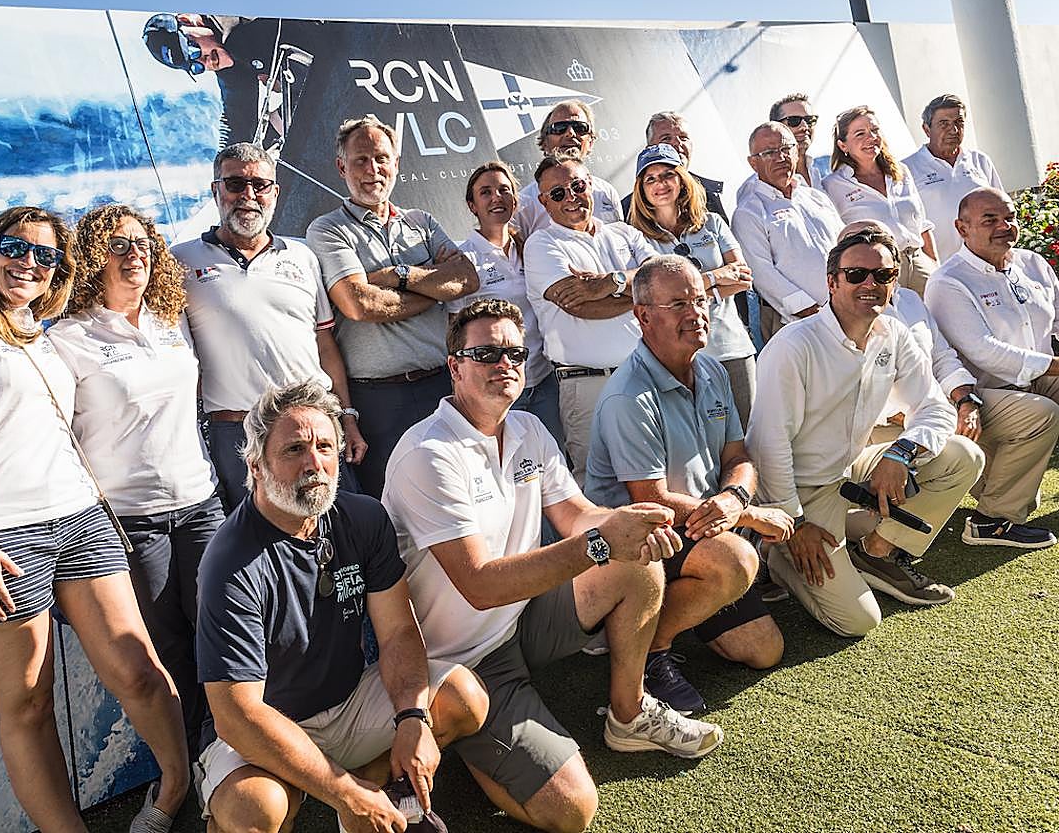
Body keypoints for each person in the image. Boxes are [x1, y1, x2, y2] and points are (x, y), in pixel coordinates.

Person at [382, 299, 724, 833]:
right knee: (571, 811)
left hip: (520, 621)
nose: (505, 364)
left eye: (515, 354)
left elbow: (576, 515)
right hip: (455, 663)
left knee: (636, 564)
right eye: (486, 353)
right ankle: (461, 733)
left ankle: (629, 713)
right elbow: (479, 585)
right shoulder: (429, 453)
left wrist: (628, 524)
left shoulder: (527, 429)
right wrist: (602, 543)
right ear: (454, 367)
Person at [0, 206, 188, 833]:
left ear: (59, 269)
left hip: (79, 518)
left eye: (45, 255)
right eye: (14, 247)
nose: (27, 263)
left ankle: (174, 790)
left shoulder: (45, 335)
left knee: (139, 672)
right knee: (29, 705)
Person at [195, 380, 488, 833]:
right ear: (256, 466)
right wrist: (345, 792)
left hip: (349, 703)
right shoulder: (230, 562)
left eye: (325, 447)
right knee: (256, 807)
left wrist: (412, 717)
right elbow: (238, 716)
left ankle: (371, 788)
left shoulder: (363, 517)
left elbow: (397, 631)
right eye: (294, 449)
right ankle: (346, 796)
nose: (314, 463)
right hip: (266, 724)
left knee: (463, 698)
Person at [48, 203, 225, 762]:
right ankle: (193, 768)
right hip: (130, 522)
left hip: (201, 503)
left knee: (222, 634)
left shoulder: (171, 321)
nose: (135, 255)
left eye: (143, 244)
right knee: (167, 652)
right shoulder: (68, 338)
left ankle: (237, 750)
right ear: (91, 258)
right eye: (118, 245)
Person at [746, 226, 984, 636]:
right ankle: (778, 554)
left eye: (884, 275)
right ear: (832, 282)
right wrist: (794, 524)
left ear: (894, 281)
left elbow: (934, 408)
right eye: (856, 274)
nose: (870, 284)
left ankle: (876, 551)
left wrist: (900, 453)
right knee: (857, 621)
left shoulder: (894, 333)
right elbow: (768, 445)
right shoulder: (794, 345)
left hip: (851, 469)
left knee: (963, 456)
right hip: (800, 489)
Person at [585, 256, 793, 714]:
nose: (695, 313)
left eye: (700, 300)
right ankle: (647, 649)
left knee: (764, 651)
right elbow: (650, 500)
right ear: (643, 316)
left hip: (697, 530)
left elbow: (738, 458)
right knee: (737, 559)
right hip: (638, 542)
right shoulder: (628, 396)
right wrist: (746, 513)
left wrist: (734, 498)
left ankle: (677, 611)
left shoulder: (712, 370)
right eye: (678, 303)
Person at [172, 142, 366, 510]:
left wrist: (347, 416)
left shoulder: (303, 255)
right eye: (235, 184)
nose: (248, 195)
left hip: (315, 425)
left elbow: (324, 344)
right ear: (215, 191)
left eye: (260, 185)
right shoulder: (180, 261)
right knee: (258, 538)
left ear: (274, 193)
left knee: (340, 529)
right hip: (237, 432)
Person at [307, 115, 477, 498]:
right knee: (394, 507)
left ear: (396, 163)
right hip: (377, 403)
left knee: (462, 494)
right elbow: (360, 304)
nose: (373, 169)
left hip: (442, 386)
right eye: (360, 160)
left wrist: (398, 275)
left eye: (381, 158)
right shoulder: (328, 229)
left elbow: (466, 278)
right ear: (341, 167)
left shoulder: (423, 222)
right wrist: (434, 288)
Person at [924, 187, 1059, 548]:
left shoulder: (1032, 263)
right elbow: (984, 352)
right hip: (977, 395)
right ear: (962, 228)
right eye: (990, 220)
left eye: (1009, 218)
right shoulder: (948, 281)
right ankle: (991, 521)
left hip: (1036, 377)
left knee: (1040, 406)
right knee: (1041, 414)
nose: (1004, 226)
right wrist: (1054, 366)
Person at [523, 154, 657, 485]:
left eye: (577, 186)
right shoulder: (541, 244)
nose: (571, 197)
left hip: (646, 374)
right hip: (586, 385)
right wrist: (642, 294)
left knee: (660, 471)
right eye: (558, 193)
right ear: (544, 202)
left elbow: (664, 277)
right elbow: (579, 307)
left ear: (591, 185)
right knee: (600, 483)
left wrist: (611, 282)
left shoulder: (624, 233)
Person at [628, 143, 758, 425]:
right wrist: (715, 277)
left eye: (668, 175)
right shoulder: (637, 238)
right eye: (650, 179)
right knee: (699, 441)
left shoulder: (712, 223)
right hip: (680, 359)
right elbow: (658, 296)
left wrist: (683, 297)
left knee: (749, 435)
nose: (660, 184)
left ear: (682, 180)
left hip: (731, 348)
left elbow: (743, 278)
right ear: (641, 189)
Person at [451, 160, 563, 444]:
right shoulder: (464, 258)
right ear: (472, 205)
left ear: (515, 200)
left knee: (553, 460)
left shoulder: (533, 248)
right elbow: (454, 330)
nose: (496, 198)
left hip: (544, 380)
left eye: (504, 190)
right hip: (498, 388)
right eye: (485, 192)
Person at [732, 122, 844, 341]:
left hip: (847, 311)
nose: (780, 157)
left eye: (786, 149)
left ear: (796, 152)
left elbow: (846, 246)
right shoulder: (749, 212)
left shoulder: (816, 198)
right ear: (753, 163)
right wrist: (814, 312)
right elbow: (763, 274)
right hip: (801, 325)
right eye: (769, 153)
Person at [143, 13, 313, 149]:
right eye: (196, 67)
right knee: (268, 140)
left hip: (325, 51)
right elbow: (237, 122)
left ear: (187, 20)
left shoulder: (240, 24)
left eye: (193, 51)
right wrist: (224, 170)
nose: (206, 61)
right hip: (317, 86)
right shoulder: (226, 62)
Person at [823, 106, 937, 297]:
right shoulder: (832, 185)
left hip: (919, 262)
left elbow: (923, 225)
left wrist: (934, 263)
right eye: (860, 134)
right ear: (843, 145)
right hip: (879, 270)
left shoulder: (901, 172)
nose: (871, 137)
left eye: (874, 130)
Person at [903, 94, 1004, 263]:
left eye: (959, 122)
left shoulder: (979, 161)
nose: (954, 130)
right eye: (944, 123)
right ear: (926, 129)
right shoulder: (907, 168)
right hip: (937, 266)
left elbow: (1002, 209)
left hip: (985, 263)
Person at [514, 100, 623, 239]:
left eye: (580, 127)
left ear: (590, 142)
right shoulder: (524, 204)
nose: (570, 133)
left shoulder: (607, 192)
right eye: (559, 128)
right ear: (545, 143)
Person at [623, 112, 728, 220]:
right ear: (650, 149)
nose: (677, 143)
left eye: (683, 137)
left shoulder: (711, 195)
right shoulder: (627, 212)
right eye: (666, 138)